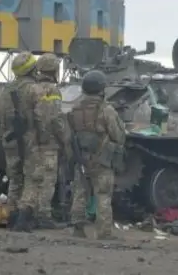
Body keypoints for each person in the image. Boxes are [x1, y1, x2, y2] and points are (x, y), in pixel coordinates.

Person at [67, 70, 126, 239]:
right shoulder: (106, 110)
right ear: (102, 89)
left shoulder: (75, 109)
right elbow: (118, 136)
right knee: (103, 194)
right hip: (102, 159)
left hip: (82, 158)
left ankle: (78, 228)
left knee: (80, 193)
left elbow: (69, 135)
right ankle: (104, 232)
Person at [21, 53, 71, 229]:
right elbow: (55, 118)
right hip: (48, 143)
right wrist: (66, 140)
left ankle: (24, 215)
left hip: (30, 142)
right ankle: (43, 216)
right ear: (54, 70)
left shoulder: (30, 88)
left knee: (32, 179)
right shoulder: (52, 90)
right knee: (48, 180)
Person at [0, 51, 41, 231]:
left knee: (15, 179)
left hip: (10, 140)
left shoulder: (4, 92)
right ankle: (24, 217)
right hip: (30, 139)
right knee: (32, 179)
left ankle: (12, 217)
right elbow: (42, 117)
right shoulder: (35, 90)